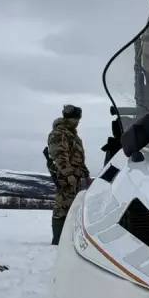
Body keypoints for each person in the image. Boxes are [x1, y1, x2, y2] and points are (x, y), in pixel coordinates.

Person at [46, 104, 91, 245]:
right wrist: (69, 174)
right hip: (66, 178)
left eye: (78, 119)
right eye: (75, 119)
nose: (77, 121)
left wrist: (85, 173)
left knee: (72, 206)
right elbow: (59, 156)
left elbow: (77, 156)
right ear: (68, 118)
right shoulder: (59, 133)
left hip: (75, 177)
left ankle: (66, 238)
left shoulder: (71, 134)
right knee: (62, 207)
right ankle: (58, 240)